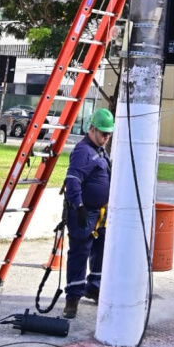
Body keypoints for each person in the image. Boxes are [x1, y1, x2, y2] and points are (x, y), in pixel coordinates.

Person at [62, 108, 114, 319]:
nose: (106, 137)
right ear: (92, 129)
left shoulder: (100, 150)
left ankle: (94, 287)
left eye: (109, 134)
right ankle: (73, 298)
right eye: (103, 133)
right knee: (80, 252)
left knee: (100, 251)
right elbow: (72, 180)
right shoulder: (83, 151)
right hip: (85, 213)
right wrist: (79, 206)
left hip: (100, 214)